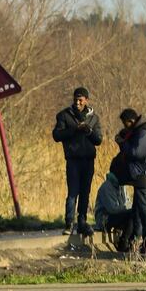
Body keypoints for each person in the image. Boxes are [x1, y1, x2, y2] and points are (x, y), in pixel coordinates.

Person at [52, 87, 103, 235]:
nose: (77, 102)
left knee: (85, 192)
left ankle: (82, 222)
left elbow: (98, 140)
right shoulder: (64, 115)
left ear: (86, 100)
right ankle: (69, 223)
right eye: (75, 99)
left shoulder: (94, 118)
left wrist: (88, 131)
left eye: (80, 100)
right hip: (73, 160)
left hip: (88, 160)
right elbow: (56, 135)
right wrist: (75, 129)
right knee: (73, 192)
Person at [113, 108, 146, 252]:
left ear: (131, 121)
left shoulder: (144, 132)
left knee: (144, 211)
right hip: (141, 175)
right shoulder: (140, 132)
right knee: (138, 211)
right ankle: (135, 241)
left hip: (143, 175)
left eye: (125, 123)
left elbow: (136, 153)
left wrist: (122, 143)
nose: (125, 126)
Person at [93, 172, 134, 252]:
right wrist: (128, 208)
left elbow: (127, 202)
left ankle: (128, 242)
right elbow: (112, 209)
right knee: (130, 215)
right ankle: (123, 243)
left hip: (117, 214)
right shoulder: (106, 187)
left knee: (134, 215)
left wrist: (131, 208)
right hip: (104, 218)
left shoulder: (122, 186)